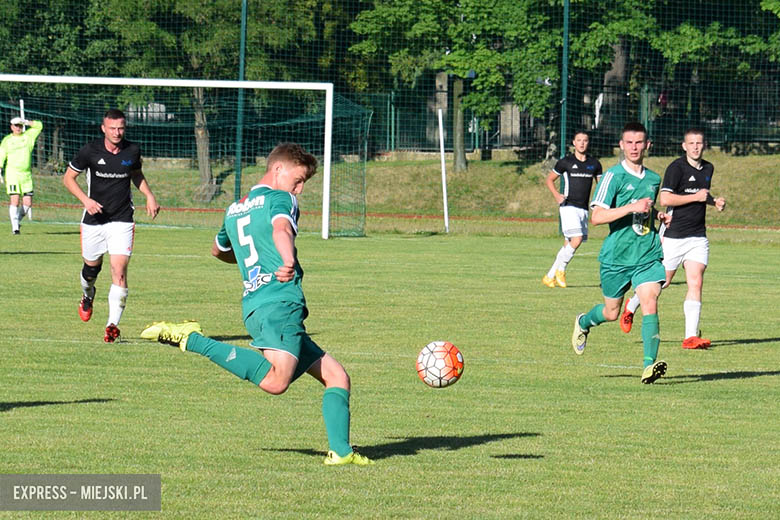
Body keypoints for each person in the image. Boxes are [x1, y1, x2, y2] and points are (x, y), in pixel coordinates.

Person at [140, 143, 373, 466]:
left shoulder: (235, 208)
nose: (300, 189)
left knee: (337, 377)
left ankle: (342, 452)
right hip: (279, 302)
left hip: (255, 303)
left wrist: (257, 266)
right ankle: (193, 340)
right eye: (299, 179)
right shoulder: (281, 198)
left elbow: (218, 250)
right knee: (277, 381)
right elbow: (280, 228)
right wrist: (286, 256)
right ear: (278, 169)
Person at [571, 122, 672, 384]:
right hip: (616, 257)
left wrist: (657, 215)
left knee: (650, 300)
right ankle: (583, 323)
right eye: (629, 142)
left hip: (647, 254)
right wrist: (631, 207)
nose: (634, 147)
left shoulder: (653, 179)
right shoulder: (612, 177)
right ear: (621, 145)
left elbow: (644, 211)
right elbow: (597, 217)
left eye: (639, 142)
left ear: (648, 145)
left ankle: (648, 366)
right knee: (611, 312)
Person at [620, 128, 726, 349]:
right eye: (691, 143)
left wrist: (713, 202)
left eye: (699, 143)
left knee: (695, 281)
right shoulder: (676, 168)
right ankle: (631, 305)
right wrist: (696, 196)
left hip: (697, 236)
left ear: (704, 145)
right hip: (673, 235)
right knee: (662, 282)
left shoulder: (708, 168)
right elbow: (666, 197)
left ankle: (690, 337)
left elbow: (700, 195)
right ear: (684, 146)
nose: (695, 146)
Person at [63, 109, 160, 343]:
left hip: (122, 219)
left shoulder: (132, 150)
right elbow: (68, 178)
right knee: (91, 270)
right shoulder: (90, 151)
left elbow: (136, 174)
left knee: (119, 271)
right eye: (113, 128)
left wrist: (148, 195)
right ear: (103, 129)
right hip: (94, 221)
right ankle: (87, 296)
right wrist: (86, 201)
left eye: (121, 128)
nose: (117, 133)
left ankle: (112, 325)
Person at [542, 130, 602, 287]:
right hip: (568, 206)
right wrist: (556, 195)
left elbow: (601, 186)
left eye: (585, 140)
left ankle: (549, 276)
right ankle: (561, 269)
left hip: (583, 209)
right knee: (577, 239)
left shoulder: (594, 164)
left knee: (568, 244)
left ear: (588, 143)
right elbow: (549, 180)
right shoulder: (565, 162)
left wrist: (600, 204)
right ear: (574, 143)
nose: (582, 143)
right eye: (579, 140)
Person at [0, 116, 43, 234]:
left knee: (28, 203)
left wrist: (26, 122)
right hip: (13, 174)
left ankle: (17, 221)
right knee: (15, 200)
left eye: (20, 125)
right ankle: (15, 228)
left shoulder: (28, 137)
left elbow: (39, 125)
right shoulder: (7, 140)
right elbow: (1, 155)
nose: (18, 128)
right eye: (16, 125)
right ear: (11, 127)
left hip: (26, 175)